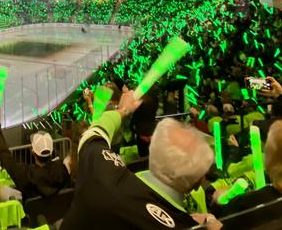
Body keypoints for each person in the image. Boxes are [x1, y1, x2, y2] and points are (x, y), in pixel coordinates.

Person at [61, 90, 219, 230]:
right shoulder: (184, 225)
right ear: (199, 180)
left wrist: (123, 110)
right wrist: (209, 221)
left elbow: (93, 134)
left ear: (153, 150)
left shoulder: (102, 174)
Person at [0, 106, 71, 201]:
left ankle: (20, 196)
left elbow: (4, 154)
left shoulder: (26, 175)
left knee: (3, 191)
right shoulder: (63, 170)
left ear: (32, 151)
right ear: (52, 150)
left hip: (36, 213)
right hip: (59, 212)